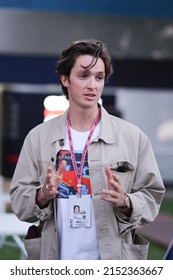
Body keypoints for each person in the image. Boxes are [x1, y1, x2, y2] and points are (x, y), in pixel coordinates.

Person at [9, 39, 165, 260]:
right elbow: (18, 202)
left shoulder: (133, 137)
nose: (93, 85)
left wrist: (125, 202)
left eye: (99, 77)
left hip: (113, 262)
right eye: (83, 76)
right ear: (65, 79)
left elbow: (152, 196)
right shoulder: (38, 138)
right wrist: (42, 194)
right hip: (56, 260)